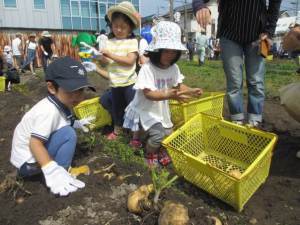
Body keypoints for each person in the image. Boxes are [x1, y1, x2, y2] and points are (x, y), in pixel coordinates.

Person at [10, 56, 96, 196]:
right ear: (51, 87)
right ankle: (61, 172)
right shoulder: (48, 112)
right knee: (68, 134)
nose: (77, 97)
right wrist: (51, 169)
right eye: (70, 91)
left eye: (80, 90)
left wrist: (78, 123)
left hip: (29, 160)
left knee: (68, 129)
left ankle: (54, 168)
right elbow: (35, 144)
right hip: (28, 165)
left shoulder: (62, 103)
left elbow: (64, 120)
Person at [123, 21, 203, 166]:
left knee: (168, 134)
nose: (170, 55)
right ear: (157, 50)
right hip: (145, 110)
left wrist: (191, 90)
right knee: (158, 135)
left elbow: (178, 86)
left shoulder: (174, 68)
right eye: (166, 51)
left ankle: (155, 147)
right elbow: (149, 94)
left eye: (174, 52)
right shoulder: (147, 69)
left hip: (160, 109)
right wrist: (169, 95)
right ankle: (150, 153)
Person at [192, 0, 282, 127]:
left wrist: (269, 31)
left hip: (259, 35)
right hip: (229, 35)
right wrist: (200, 6)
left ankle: (255, 120)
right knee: (234, 81)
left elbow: (275, 4)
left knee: (256, 80)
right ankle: (237, 119)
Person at [97, 1, 140, 141]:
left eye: (123, 27)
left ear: (130, 27)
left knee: (133, 109)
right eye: (116, 26)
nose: (119, 30)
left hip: (130, 82)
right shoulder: (109, 42)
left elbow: (130, 61)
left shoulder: (132, 42)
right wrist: (100, 58)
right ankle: (118, 131)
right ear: (111, 26)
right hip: (115, 83)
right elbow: (107, 62)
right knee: (117, 109)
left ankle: (135, 135)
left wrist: (110, 55)